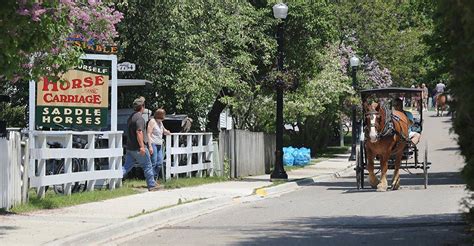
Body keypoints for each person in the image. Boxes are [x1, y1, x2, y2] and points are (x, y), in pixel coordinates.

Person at [122, 96, 160, 191]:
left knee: (126, 167)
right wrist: (142, 147)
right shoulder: (139, 118)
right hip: (138, 148)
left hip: (130, 147)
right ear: (142, 106)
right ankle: (151, 185)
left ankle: (112, 180)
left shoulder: (131, 117)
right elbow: (139, 132)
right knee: (147, 165)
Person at [147, 109, 171, 180]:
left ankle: (154, 179)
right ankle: (151, 180)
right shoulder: (152, 121)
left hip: (159, 145)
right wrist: (150, 146)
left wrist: (168, 132)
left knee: (159, 163)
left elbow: (164, 131)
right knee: (153, 163)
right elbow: (148, 133)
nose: (164, 117)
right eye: (163, 115)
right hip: (153, 144)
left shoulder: (160, 123)